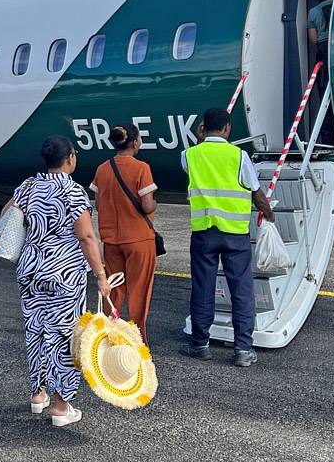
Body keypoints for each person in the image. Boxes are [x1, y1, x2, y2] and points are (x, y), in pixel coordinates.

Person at [9, 135, 110, 427]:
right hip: (63, 273)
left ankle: (37, 394)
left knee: (36, 330)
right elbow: (86, 236)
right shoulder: (73, 192)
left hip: (30, 269)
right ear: (70, 158)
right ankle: (61, 405)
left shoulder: (27, 186)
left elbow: (8, 217)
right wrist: (100, 275)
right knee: (65, 335)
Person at [180, 108, 276, 367]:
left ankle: (200, 344)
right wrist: (269, 214)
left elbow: (195, 162)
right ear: (227, 128)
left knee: (203, 288)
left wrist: (200, 141)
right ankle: (243, 350)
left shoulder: (189, 155)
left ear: (202, 128)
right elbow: (256, 193)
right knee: (242, 290)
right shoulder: (239, 156)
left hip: (204, 233)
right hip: (235, 235)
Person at [90, 123, 159, 345]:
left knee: (115, 289)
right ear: (136, 142)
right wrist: (155, 203)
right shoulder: (142, 168)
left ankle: (111, 335)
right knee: (139, 290)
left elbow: (99, 204)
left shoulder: (102, 169)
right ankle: (136, 339)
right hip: (139, 238)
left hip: (111, 239)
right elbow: (147, 206)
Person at [308, 0, 334, 145]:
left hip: (322, 55)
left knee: (324, 101)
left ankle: (328, 141)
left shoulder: (313, 12)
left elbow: (313, 39)